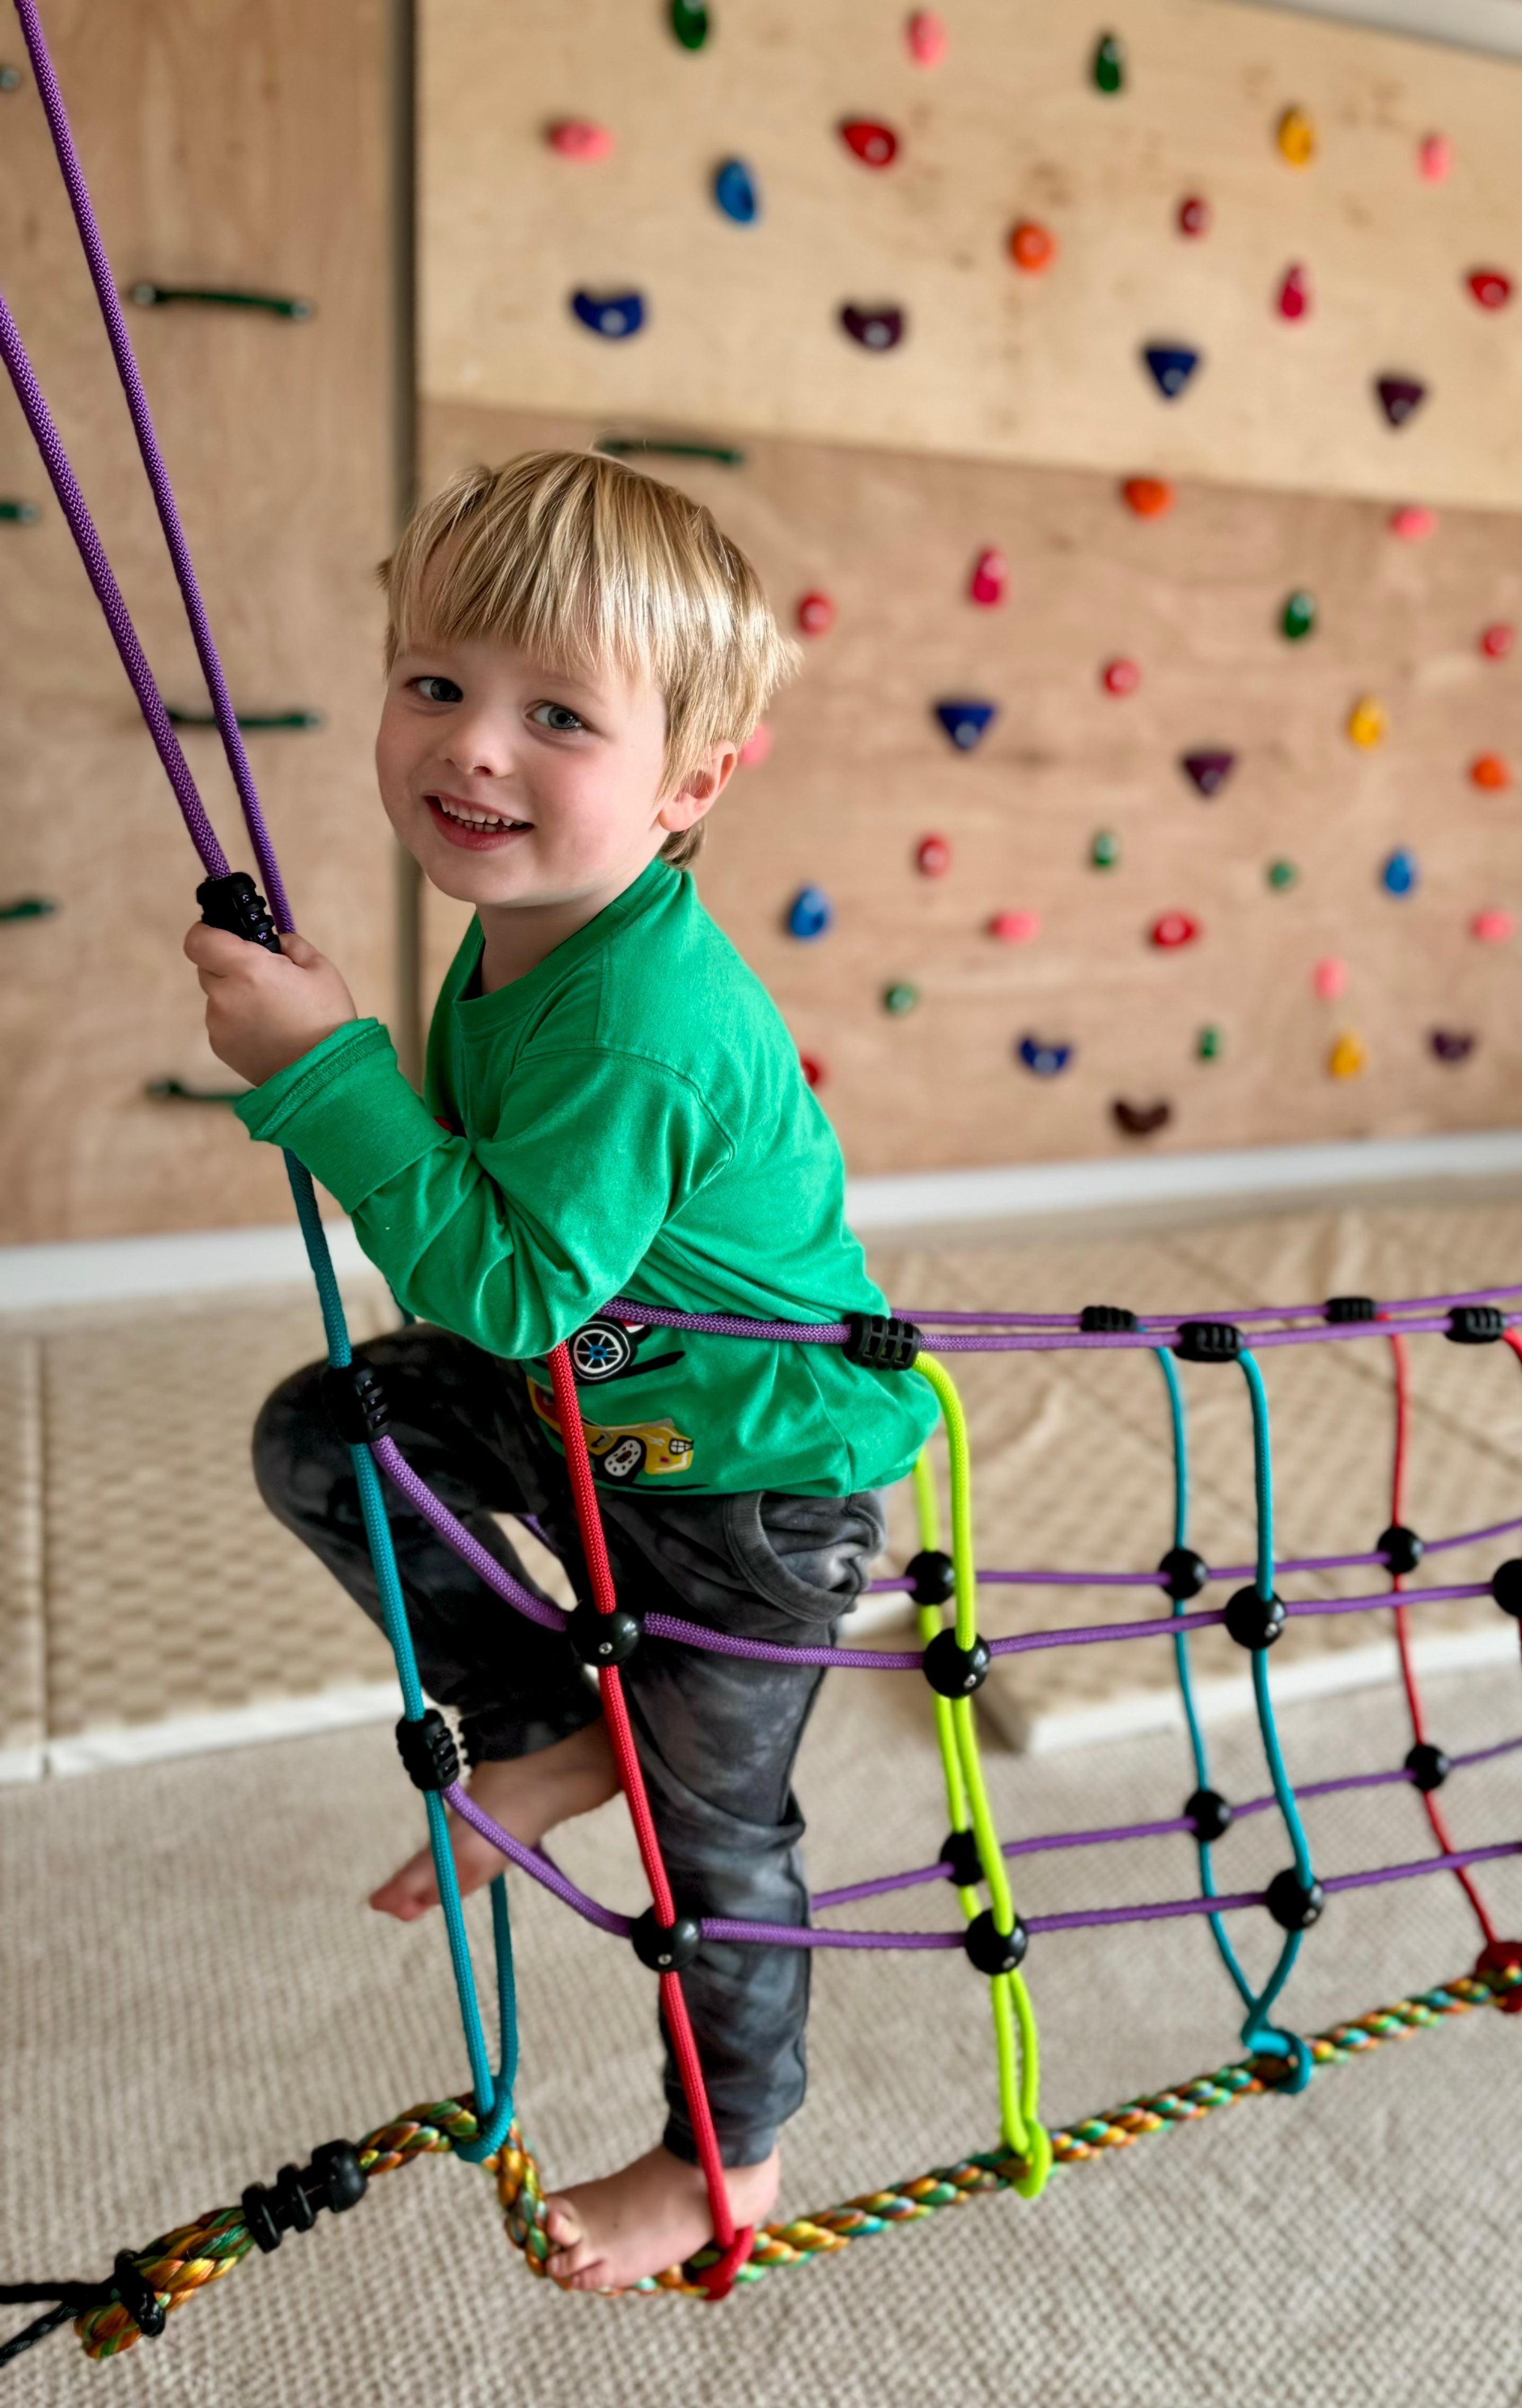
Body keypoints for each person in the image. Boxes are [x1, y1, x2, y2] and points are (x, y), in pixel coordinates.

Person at [184, 449, 936, 2292]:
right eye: (436, 682)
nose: (475, 749)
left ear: (689, 785)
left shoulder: (647, 1021)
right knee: (333, 1432)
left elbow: (509, 1281)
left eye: (557, 716)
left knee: (713, 1847)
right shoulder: (522, 936)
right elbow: (490, 1212)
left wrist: (326, 1072)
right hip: (591, 1405)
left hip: (753, 1487)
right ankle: (536, 1723)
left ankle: (728, 2156)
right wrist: (359, 1048)